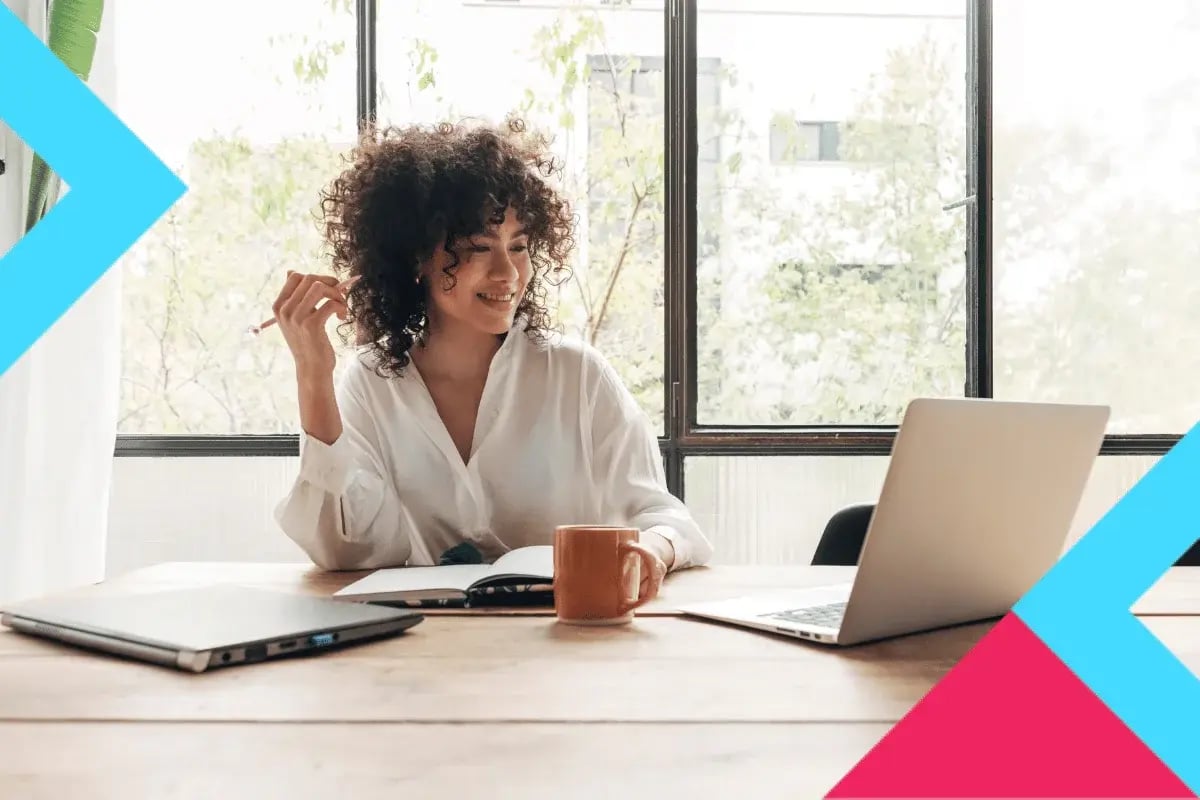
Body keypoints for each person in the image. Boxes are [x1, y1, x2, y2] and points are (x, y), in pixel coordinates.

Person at [272, 118, 713, 598]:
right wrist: (313, 375)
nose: (508, 273)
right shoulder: (370, 382)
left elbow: (667, 519)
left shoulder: (576, 376)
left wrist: (653, 550)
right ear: (415, 258)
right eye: (478, 248)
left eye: (519, 246)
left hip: (567, 646)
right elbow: (345, 552)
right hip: (424, 649)